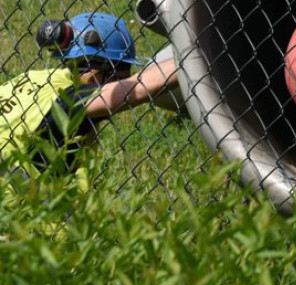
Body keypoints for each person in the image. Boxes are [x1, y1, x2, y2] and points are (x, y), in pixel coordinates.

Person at [1, 11, 178, 180]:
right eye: (121, 75)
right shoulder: (68, 101)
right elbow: (131, 92)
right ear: (96, 72)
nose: (122, 81)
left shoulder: (31, 77)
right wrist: (193, 60)